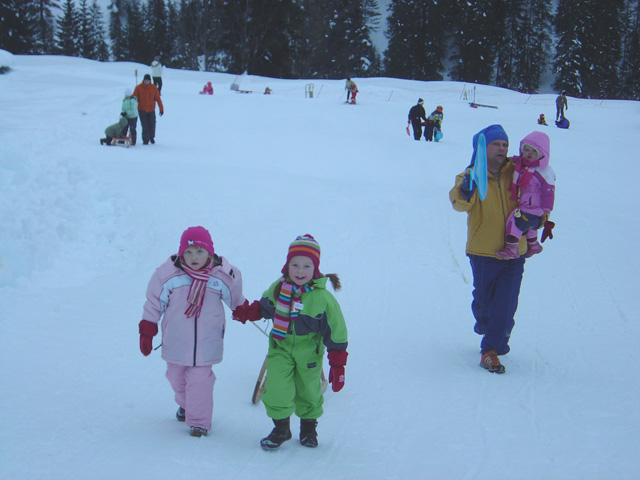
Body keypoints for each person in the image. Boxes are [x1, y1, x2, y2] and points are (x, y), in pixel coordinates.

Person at [449, 125, 553, 374]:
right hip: (483, 252)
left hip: (515, 250)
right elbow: (458, 203)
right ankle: (488, 325)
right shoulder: (471, 175)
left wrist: (539, 220)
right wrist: (466, 191)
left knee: (506, 305)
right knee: (484, 302)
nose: (502, 149)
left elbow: (539, 196)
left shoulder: (517, 171)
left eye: (505, 144)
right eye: (496, 144)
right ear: (483, 148)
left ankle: (491, 349)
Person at [233, 234, 348, 450]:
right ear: (287, 266)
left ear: (316, 269)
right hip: (281, 347)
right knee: (276, 388)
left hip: (309, 351)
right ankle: (281, 429)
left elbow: (337, 332)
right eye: (295, 265)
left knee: (308, 391)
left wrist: (338, 364)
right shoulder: (279, 287)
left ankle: (308, 429)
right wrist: (248, 312)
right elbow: (264, 306)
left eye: (307, 266)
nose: (300, 271)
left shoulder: (323, 299)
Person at [138, 226, 247, 437]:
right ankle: (186, 405)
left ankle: (199, 422)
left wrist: (245, 311)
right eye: (188, 252)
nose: (194, 257)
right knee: (175, 377)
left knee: (200, 381)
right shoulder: (168, 275)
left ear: (209, 252)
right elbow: (153, 303)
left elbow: (235, 297)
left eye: (199, 251)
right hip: (176, 340)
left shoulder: (221, 276)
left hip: (207, 342)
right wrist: (147, 330)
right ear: (181, 253)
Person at [496, 131, 555, 260]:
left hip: (534, 206)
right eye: (526, 150)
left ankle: (512, 248)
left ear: (541, 153)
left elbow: (549, 191)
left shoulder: (544, 171)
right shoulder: (523, 165)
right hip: (526, 203)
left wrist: (547, 209)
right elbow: (516, 161)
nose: (528, 153)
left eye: (533, 151)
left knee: (515, 221)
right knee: (529, 225)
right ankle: (534, 245)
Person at [133, 74, 164, 145]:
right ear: (143, 80)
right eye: (145, 80)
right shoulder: (138, 88)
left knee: (152, 124)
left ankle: (151, 137)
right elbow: (134, 99)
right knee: (145, 125)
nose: (146, 82)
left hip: (151, 109)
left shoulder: (154, 88)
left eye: (148, 80)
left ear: (150, 81)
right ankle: (145, 140)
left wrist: (161, 109)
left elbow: (158, 99)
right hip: (141, 109)